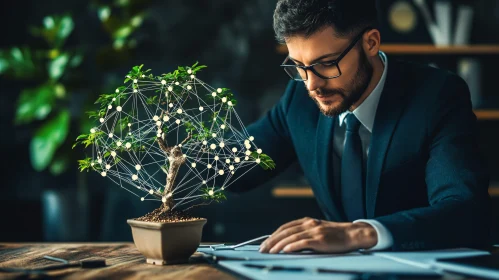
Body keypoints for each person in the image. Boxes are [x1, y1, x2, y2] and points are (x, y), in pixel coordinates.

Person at [230, 0, 492, 253]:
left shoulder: (437, 96)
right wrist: (188, 156)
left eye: (327, 63)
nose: (312, 85)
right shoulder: (298, 99)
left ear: (371, 42)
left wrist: (359, 233)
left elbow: (466, 212)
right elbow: (231, 164)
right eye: (299, 66)